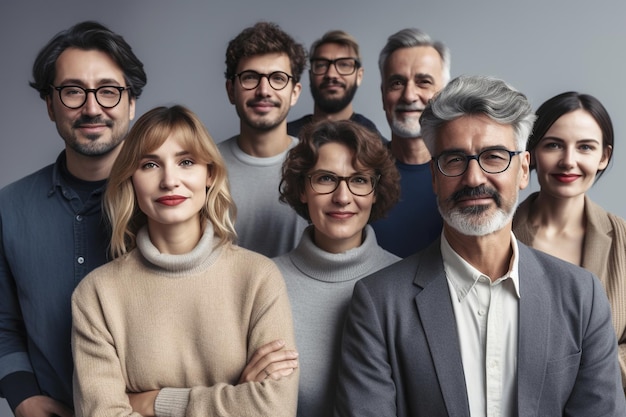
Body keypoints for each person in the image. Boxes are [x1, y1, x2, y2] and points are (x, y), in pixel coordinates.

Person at [335, 75, 626, 416]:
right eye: (454, 160)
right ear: (433, 176)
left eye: (494, 157)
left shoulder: (582, 296)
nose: (473, 179)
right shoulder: (379, 303)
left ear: (522, 169)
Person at [71, 105, 298, 417]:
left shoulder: (258, 278)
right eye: (150, 164)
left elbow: (273, 409)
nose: (169, 180)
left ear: (210, 174)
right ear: (131, 179)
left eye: (186, 162)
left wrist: (154, 402)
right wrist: (237, 397)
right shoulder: (96, 294)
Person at [0, 21, 146, 416]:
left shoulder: (168, 205)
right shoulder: (8, 208)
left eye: (109, 91)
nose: (92, 107)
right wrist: (23, 396)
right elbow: (2, 322)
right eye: (73, 91)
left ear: (131, 103)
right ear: (50, 104)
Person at [273, 120, 400, 417]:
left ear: (375, 191)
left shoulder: (404, 282)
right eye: (326, 179)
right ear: (302, 188)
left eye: (358, 180)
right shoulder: (263, 282)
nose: (342, 197)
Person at [513, 91, 626, 390]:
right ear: (532, 153)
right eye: (553, 145)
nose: (568, 161)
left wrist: (587, 369)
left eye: (585, 147)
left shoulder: (624, 241)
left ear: (604, 157)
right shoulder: (499, 235)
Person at [219, 21, 308, 258]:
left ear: (295, 92)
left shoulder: (317, 164)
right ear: (231, 90)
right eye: (250, 77)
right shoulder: (205, 166)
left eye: (278, 78)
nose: (264, 90)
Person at [370, 28, 448, 258]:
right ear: (384, 94)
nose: (409, 95)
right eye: (397, 83)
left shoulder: (464, 173)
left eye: (423, 82)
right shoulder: (360, 173)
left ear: (444, 93)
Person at [287, 30, 382, 139]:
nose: (331, 74)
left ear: (359, 76)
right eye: (321, 65)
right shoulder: (286, 137)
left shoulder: (375, 142)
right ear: (310, 75)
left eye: (344, 64)